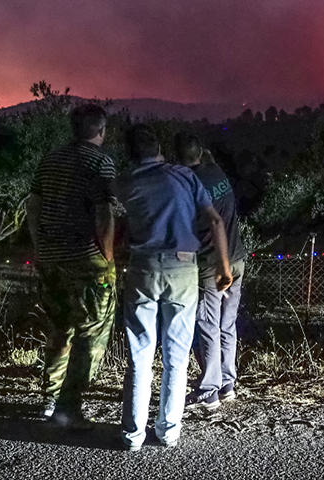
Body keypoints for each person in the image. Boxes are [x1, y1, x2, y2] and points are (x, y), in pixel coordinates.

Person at [118, 125, 233, 451]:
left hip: (143, 267)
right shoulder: (185, 176)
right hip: (183, 269)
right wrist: (223, 267)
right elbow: (215, 221)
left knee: (140, 355)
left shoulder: (126, 181)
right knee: (176, 357)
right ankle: (168, 431)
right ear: (160, 149)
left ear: (131, 154)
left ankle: (132, 435)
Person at [26, 103, 117, 430]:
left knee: (58, 329)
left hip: (51, 259)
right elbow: (104, 214)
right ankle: (70, 407)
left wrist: (40, 246)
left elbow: (32, 206)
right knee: (90, 334)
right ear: (101, 130)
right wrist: (107, 259)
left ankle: (50, 400)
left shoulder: (50, 160)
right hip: (85, 261)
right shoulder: (100, 162)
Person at [173, 132, 247, 411]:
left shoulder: (189, 183)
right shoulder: (216, 172)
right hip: (237, 258)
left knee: (207, 326)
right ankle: (227, 383)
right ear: (201, 153)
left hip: (212, 265)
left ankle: (208, 390)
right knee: (227, 324)